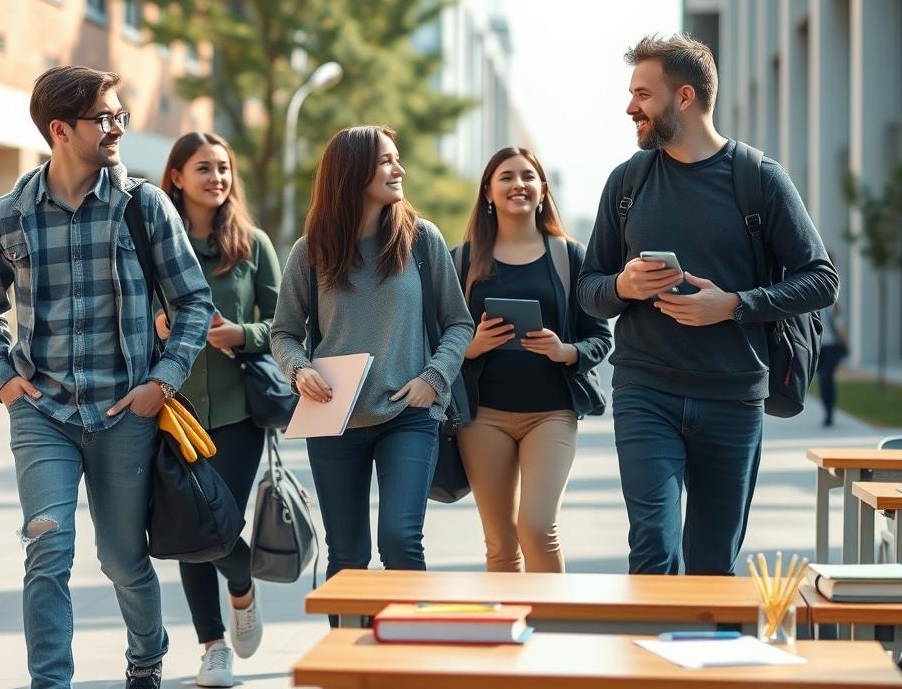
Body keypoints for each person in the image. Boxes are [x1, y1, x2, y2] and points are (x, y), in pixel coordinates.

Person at [0, 66, 213, 689]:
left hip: (123, 414)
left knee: (122, 560)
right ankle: (51, 682)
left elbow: (195, 303)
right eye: (104, 118)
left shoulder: (144, 206)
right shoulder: (8, 215)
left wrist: (163, 381)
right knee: (47, 551)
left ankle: (147, 655)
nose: (116, 128)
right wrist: (2, 377)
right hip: (41, 414)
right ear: (60, 130)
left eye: (119, 116)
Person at [576, 34, 839, 576]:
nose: (631, 108)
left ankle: (705, 661)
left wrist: (735, 305)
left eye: (643, 95)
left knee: (712, 564)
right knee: (654, 546)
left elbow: (821, 280)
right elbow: (589, 289)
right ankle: (650, 660)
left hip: (732, 397)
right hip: (644, 391)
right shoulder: (627, 182)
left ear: (686, 97)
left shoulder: (759, 179)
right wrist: (623, 286)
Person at [269, 125, 472, 600]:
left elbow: (459, 323)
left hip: (409, 414)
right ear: (352, 171)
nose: (398, 169)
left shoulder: (421, 240)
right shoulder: (310, 251)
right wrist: (300, 371)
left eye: (397, 159)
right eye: (386, 161)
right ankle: (348, 666)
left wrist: (434, 379)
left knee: (401, 542)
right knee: (347, 555)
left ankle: (408, 661)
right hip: (334, 419)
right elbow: (283, 332)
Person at [452, 147, 612, 573]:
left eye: (528, 176)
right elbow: (437, 339)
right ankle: (510, 636)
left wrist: (566, 351)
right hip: (482, 415)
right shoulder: (462, 260)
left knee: (538, 528)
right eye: (506, 176)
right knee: (501, 543)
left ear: (542, 191)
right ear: (488, 191)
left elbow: (599, 337)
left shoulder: (569, 256)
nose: (517, 184)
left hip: (551, 414)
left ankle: (553, 628)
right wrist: (472, 345)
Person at [154, 132, 277, 687]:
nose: (217, 178)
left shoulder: (253, 244)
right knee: (191, 527)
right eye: (204, 168)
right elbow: (124, 314)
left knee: (219, 524)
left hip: (237, 413)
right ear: (176, 176)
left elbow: (286, 327)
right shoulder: (151, 244)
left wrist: (240, 333)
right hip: (174, 411)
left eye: (224, 168)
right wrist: (151, 328)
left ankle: (242, 589)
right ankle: (213, 646)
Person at [817, 251, 849, 427]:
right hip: (818, 346)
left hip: (832, 345)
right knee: (823, 378)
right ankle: (827, 411)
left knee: (826, 377)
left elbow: (838, 318)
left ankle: (829, 413)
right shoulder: (813, 284)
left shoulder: (833, 286)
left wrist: (845, 341)